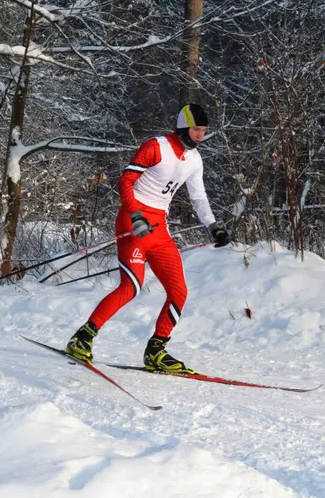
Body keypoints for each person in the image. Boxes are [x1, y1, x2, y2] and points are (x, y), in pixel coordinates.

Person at [65, 104, 231, 373]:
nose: (200, 135)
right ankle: (82, 338)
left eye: (203, 131)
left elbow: (198, 197)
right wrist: (136, 215)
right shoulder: (156, 146)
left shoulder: (194, 159)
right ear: (182, 127)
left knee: (179, 292)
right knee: (131, 286)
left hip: (159, 229)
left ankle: (156, 350)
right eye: (195, 129)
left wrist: (213, 226)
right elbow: (126, 181)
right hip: (134, 221)